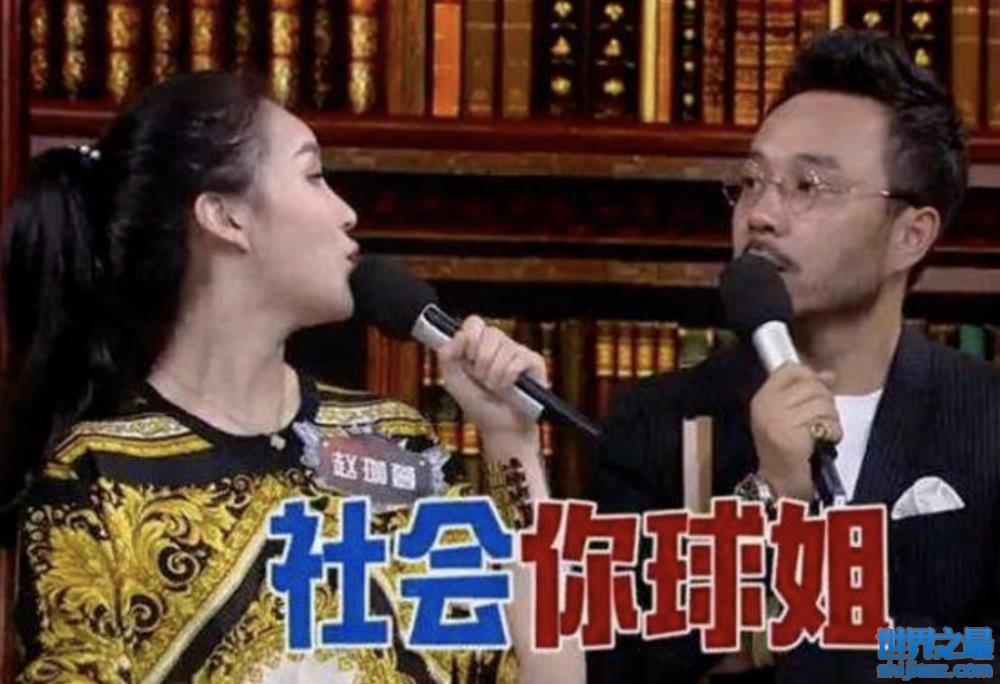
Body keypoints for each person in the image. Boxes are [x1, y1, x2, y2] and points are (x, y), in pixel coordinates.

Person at [2, 71, 584, 684]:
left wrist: (511, 441)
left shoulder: (394, 445)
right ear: (225, 216)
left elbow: (550, 675)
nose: (347, 213)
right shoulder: (94, 478)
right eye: (313, 174)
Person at [591, 29, 999, 684]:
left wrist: (840, 653)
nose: (761, 214)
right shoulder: (655, 422)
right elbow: (627, 660)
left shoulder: (987, 418)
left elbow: (985, 655)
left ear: (910, 235)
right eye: (752, 181)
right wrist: (773, 497)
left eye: (809, 185)